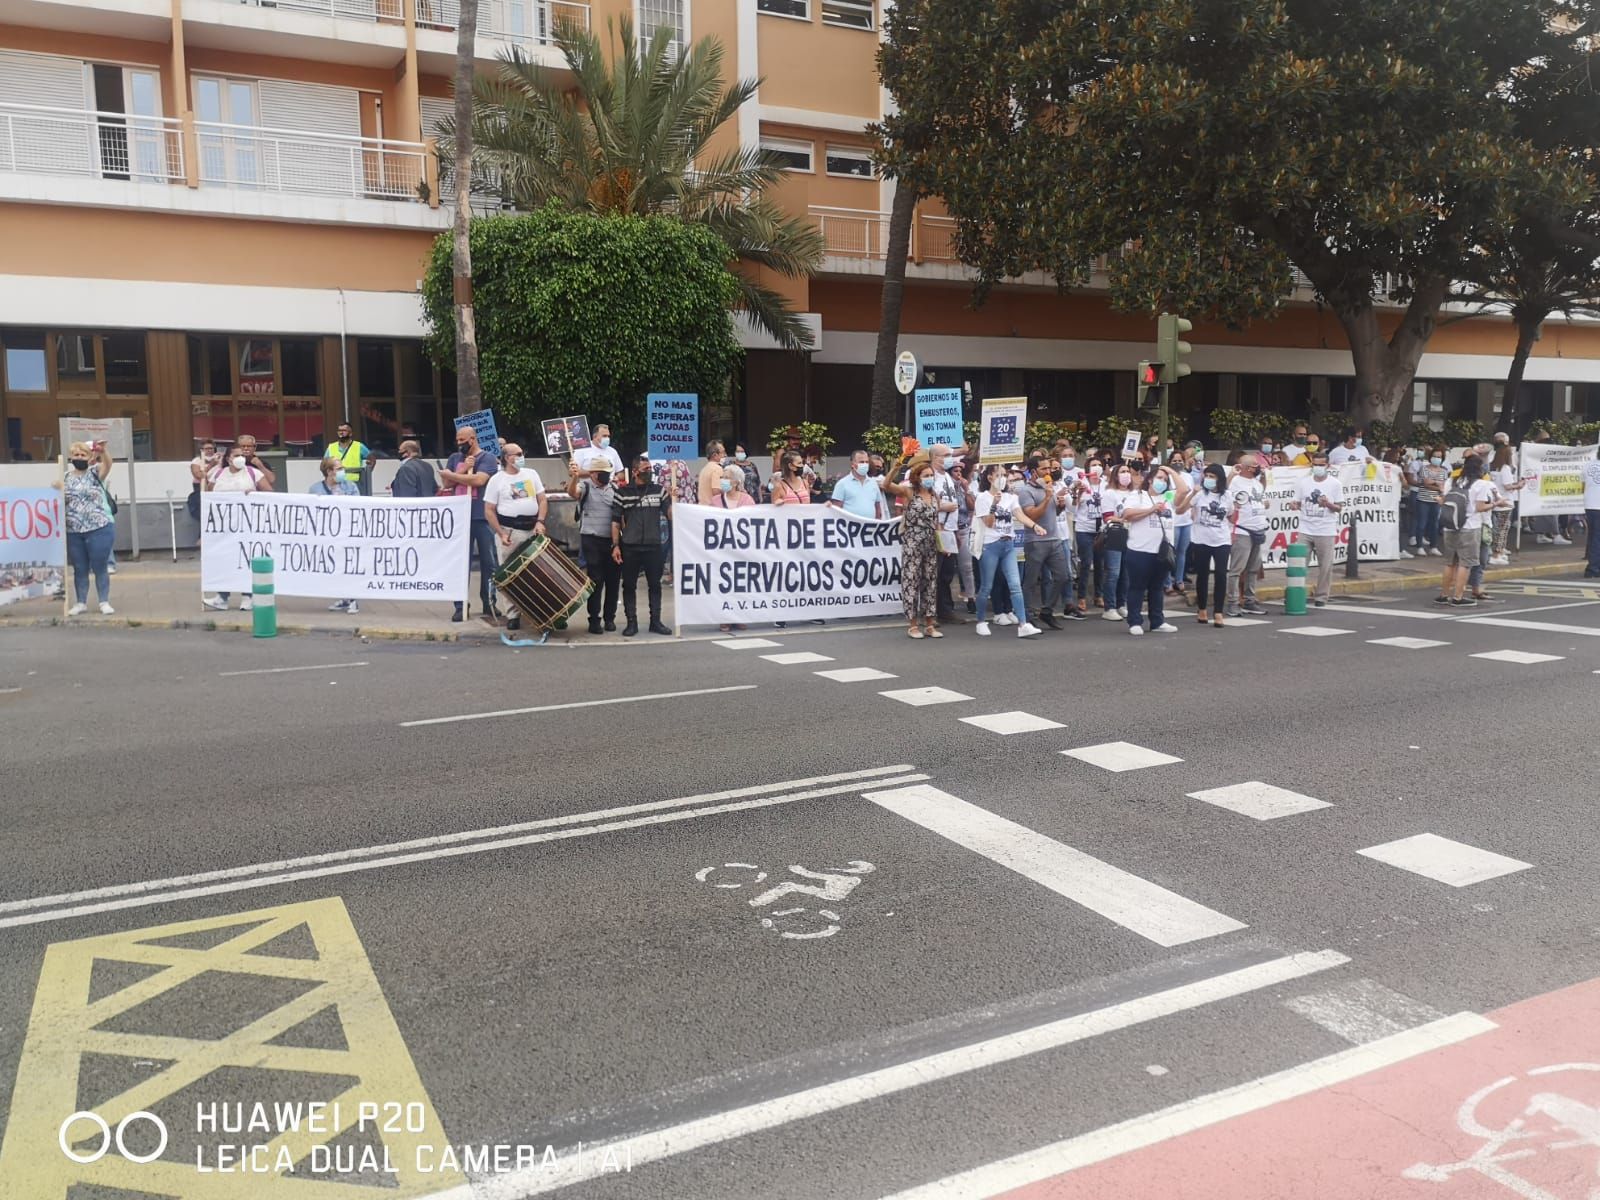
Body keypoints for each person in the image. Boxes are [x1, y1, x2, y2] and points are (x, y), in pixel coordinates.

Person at [482, 443, 549, 633]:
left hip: (532, 529)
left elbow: (542, 499)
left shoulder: (531, 474)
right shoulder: (497, 480)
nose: (521, 456)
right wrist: (501, 533)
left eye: (522, 453)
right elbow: (489, 510)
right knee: (510, 574)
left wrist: (540, 521)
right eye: (517, 454)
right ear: (507, 458)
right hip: (510, 530)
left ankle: (537, 611)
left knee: (536, 573)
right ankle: (513, 615)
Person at [971, 464, 1044, 638]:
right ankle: (980, 620)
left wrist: (1034, 525)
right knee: (986, 586)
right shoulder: (982, 497)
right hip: (990, 545)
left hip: (1008, 544)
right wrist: (994, 505)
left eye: (1004, 475)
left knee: (1015, 584)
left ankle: (1023, 624)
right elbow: (988, 522)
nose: (1002, 478)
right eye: (999, 475)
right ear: (990, 477)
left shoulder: (1010, 498)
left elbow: (1020, 515)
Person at [440, 424, 499, 623]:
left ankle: (489, 602)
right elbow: (447, 484)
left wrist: (455, 475)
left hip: (481, 517)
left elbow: (479, 480)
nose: (459, 444)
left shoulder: (488, 458)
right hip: (460, 517)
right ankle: (460, 605)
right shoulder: (455, 458)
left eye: (462, 440)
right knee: (460, 563)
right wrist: (463, 470)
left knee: (488, 562)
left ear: (472, 439)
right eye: (457, 440)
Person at [201, 442, 271, 612]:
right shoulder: (218, 474)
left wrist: (254, 494)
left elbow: (269, 492)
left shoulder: (254, 473)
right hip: (224, 528)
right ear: (228, 458)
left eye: (242, 455)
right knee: (225, 560)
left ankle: (248, 597)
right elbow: (209, 498)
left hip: (247, 526)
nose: (240, 458)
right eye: (236, 455)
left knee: (245, 561)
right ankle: (222, 597)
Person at [611, 452, 672, 637]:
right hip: (630, 547)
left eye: (651, 468)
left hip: (654, 546)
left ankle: (656, 621)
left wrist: (673, 501)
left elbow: (670, 515)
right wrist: (615, 546)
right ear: (636, 471)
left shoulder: (659, 490)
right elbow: (614, 522)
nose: (650, 472)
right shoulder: (622, 493)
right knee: (629, 585)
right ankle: (631, 622)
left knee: (655, 584)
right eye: (646, 469)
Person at [1120, 463, 1183, 636]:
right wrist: (1151, 510)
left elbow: (1183, 490)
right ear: (1149, 480)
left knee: (1157, 587)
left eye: (1165, 479)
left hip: (1161, 551)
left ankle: (1157, 621)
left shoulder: (1168, 497)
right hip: (1140, 550)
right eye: (1159, 478)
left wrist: (1170, 470)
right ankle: (1134, 621)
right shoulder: (1138, 495)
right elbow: (1128, 515)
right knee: (1137, 587)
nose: (1162, 481)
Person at [882, 458, 942, 638]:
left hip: (930, 542)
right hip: (912, 542)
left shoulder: (934, 495)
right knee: (911, 581)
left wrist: (942, 542)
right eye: (926, 475)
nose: (930, 478)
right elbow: (886, 485)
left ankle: (930, 623)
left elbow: (935, 520)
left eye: (931, 475)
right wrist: (895, 468)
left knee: (930, 582)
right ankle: (913, 624)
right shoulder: (909, 492)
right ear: (918, 477)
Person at [1014, 455, 1072, 629]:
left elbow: (1053, 513)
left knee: (1063, 576)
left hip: (1054, 538)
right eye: (1044, 469)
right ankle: (1027, 613)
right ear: (1033, 472)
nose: (1048, 472)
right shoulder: (1026, 491)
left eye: (1049, 469)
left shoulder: (1050, 487)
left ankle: (1047, 610)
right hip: (1036, 541)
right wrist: (1047, 498)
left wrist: (1060, 504)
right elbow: (1031, 515)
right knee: (1031, 580)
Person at [59, 441, 116, 616]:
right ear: (71, 457)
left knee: (100, 566)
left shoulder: (95, 473)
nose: (79, 458)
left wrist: (103, 451)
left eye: (83, 455)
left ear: (90, 457)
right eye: (76, 455)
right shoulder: (66, 477)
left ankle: (104, 601)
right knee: (79, 568)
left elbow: (108, 464)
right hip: (74, 530)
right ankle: (81, 602)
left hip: (99, 527)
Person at [568, 457, 620, 634]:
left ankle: (609, 618)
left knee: (613, 581)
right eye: (603, 473)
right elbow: (573, 493)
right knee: (596, 581)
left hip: (612, 541)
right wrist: (575, 477)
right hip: (591, 539)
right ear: (593, 473)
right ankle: (594, 619)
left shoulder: (614, 488)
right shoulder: (586, 485)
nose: (606, 475)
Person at [1438, 454, 1497, 607]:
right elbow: (1480, 507)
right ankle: (1458, 597)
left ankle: (1444, 595)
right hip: (1470, 527)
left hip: (1450, 525)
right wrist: (1495, 504)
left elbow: (1443, 501)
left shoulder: (1451, 481)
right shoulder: (1481, 484)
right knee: (1465, 563)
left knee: (1449, 563)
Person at [308, 458, 363, 613]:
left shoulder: (350, 486)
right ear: (329, 471)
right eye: (339, 469)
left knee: (349, 564)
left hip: (347, 532)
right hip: (328, 534)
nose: (342, 471)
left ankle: (353, 600)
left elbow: (359, 506)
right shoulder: (316, 488)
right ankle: (344, 598)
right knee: (336, 566)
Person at [1289, 450, 1343, 607]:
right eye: (1315, 465)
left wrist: (1328, 504)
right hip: (1306, 528)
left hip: (1326, 530)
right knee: (1299, 564)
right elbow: (1297, 502)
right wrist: (1293, 505)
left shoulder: (1335, 484)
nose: (1318, 468)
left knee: (1325, 566)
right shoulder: (1304, 482)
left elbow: (1339, 508)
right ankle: (1296, 593)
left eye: (1321, 465)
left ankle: (1321, 596)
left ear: (1328, 465)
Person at [1223, 452, 1269, 617]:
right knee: (1237, 569)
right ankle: (1233, 602)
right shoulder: (1235, 481)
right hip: (1242, 530)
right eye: (1255, 465)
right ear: (1248, 468)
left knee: (1253, 569)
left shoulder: (1256, 483)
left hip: (1258, 528)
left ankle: (1250, 600)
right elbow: (1223, 491)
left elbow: (1262, 490)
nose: (1258, 467)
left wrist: (1263, 476)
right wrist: (1231, 474)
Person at [1187, 463, 1232, 626]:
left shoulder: (1227, 495)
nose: (1208, 479)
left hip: (1221, 540)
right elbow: (1183, 508)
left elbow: (1231, 515)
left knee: (1220, 574)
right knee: (1202, 574)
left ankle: (1219, 611)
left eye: (1212, 476)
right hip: (1201, 539)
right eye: (1206, 476)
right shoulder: (1200, 495)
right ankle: (1202, 609)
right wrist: (1193, 492)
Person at [926, 444, 967, 624]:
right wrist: (943, 507)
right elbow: (924, 502)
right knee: (934, 572)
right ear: (935, 458)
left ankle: (945, 609)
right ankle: (931, 612)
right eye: (946, 455)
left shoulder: (948, 477)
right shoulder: (930, 477)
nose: (950, 458)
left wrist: (955, 531)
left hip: (950, 530)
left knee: (947, 573)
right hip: (936, 529)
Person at [1097, 461, 1136, 620]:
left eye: (1128, 471)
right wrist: (1124, 520)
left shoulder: (1135, 493)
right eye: (1122, 471)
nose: (1126, 474)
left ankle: (1122, 604)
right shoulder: (1109, 493)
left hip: (1132, 535)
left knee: (1126, 572)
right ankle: (1109, 607)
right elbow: (1107, 516)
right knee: (1113, 572)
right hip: (1115, 534)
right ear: (1115, 475)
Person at [1073, 458, 1105, 615]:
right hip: (1084, 529)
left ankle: (1098, 595)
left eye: (1099, 465)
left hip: (1101, 530)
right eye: (1093, 465)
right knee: (1086, 563)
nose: (1097, 468)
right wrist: (1077, 493)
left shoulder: (1105, 484)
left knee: (1100, 563)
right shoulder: (1082, 483)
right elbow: (1072, 507)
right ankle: (1081, 597)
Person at [1488, 442, 1523, 566]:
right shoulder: (1505, 468)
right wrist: (1519, 485)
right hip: (1505, 502)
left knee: (1496, 529)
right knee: (1502, 530)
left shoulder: (1491, 467)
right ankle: (1497, 553)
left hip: (1494, 502)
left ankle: (1499, 551)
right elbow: (1508, 486)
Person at [828, 451, 888, 520]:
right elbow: (836, 511)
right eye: (861, 462)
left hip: (870, 528)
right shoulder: (842, 484)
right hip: (849, 528)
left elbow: (878, 509)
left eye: (867, 462)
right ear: (853, 464)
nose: (865, 464)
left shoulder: (873, 483)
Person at [1412, 445, 1449, 556]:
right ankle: (1419, 546)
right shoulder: (1424, 468)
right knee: (1421, 523)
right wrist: (1438, 485)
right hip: (1423, 499)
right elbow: (1426, 483)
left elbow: (1445, 485)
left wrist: (1436, 483)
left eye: (1439, 457)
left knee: (1435, 524)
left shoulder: (1444, 471)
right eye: (1434, 456)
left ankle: (1433, 546)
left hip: (1436, 501)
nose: (1436, 458)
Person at [323, 421, 373, 493]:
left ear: (350, 433)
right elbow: (324, 465)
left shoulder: (359, 446)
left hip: (355, 483)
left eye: (344, 430)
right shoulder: (331, 447)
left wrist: (367, 474)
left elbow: (371, 459)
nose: (341, 433)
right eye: (339, 430)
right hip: (336, 483)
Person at [188, 439, 219, 520]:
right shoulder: (196, 461)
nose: (209, 450)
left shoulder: (218, 458)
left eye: (211, 448)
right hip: (201, 487)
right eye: (207, 448)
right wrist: (211, 465)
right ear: (201, 450)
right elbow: (199, 475)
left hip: (216, 487)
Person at [1584, 447, 1600, 578]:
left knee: (1593, 535)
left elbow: (1583, 484)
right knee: (1597, 538)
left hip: (1589, 505)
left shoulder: (1588, 465)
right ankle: (1593, 568)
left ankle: (1593, 565)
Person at [697, 440, 727, 504]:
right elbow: (716, 491)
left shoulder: (704, 469)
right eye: (723, 452)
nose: (725, 455)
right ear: (715, 455)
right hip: (712, 509)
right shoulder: (717, 469)